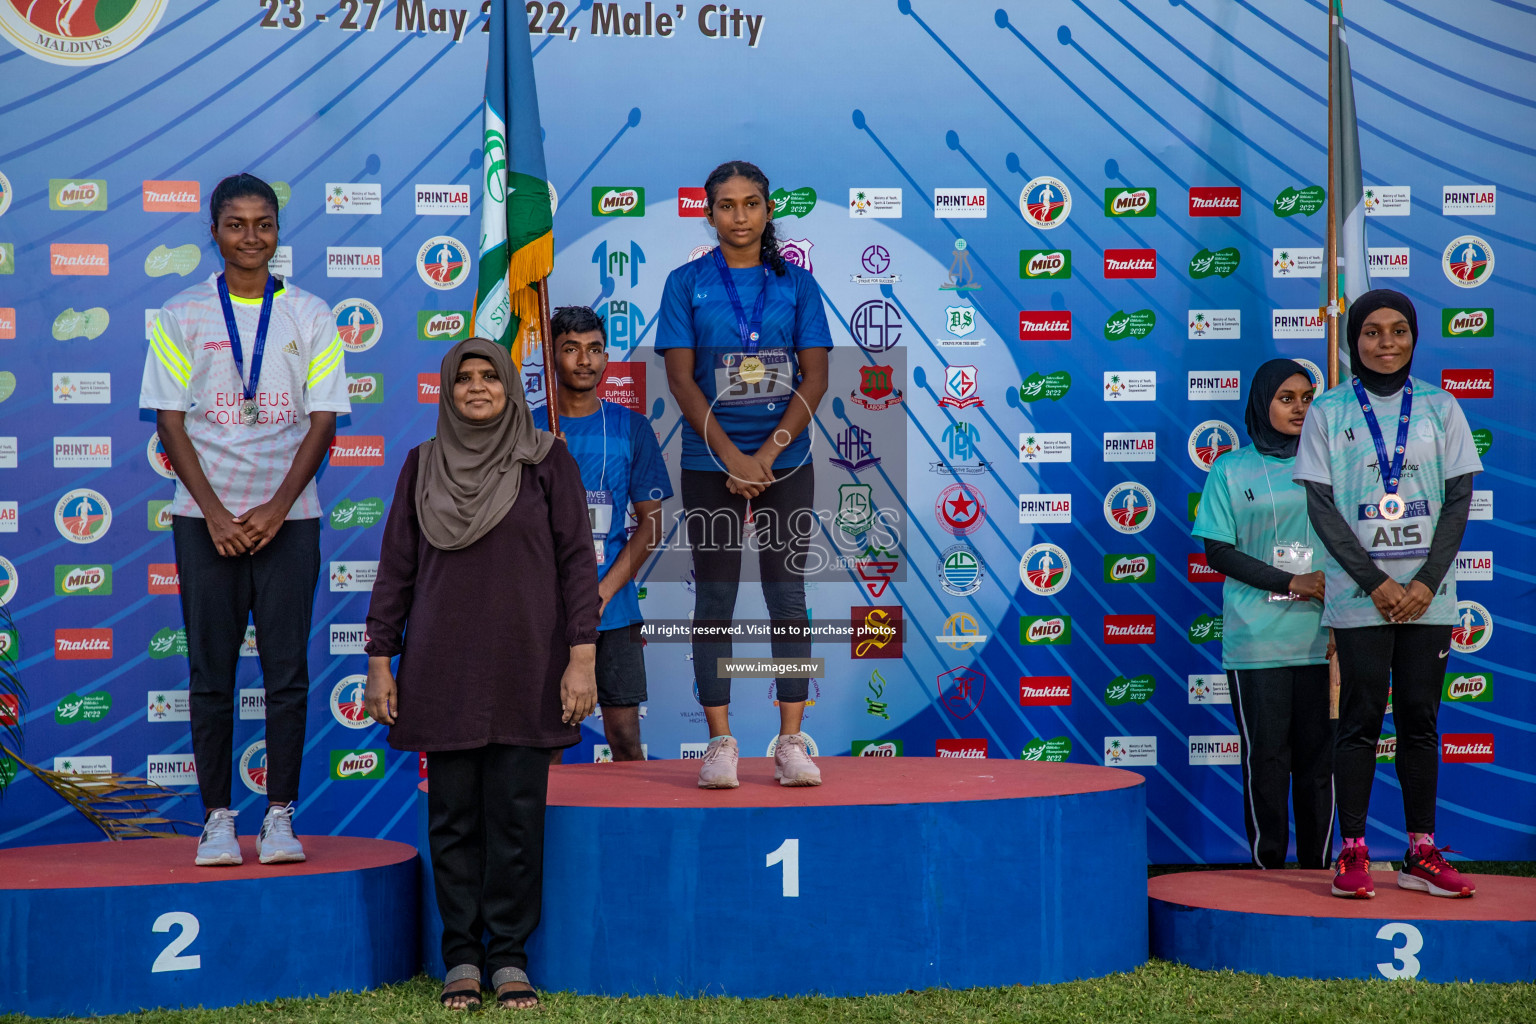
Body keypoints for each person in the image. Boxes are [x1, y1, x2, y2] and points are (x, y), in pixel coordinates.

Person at [363, 338, 599, 1009]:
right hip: (443, 669)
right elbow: (397, 571)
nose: (475, 387)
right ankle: (461, 956)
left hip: (529, 666)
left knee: (519, 817)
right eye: (462, 378)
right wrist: (380, 662)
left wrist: (582, 660)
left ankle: (509, 957)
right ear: (446, 390)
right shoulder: (422, 465)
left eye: (488, 376)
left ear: (509, 388)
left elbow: (578, 564)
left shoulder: (547, 460)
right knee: (455, 818)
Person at [139, 172, 349, 867]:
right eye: (237, 224)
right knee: (210, 673)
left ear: (278, 232)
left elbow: (323, 422)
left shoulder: (312, 315)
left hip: (291, 518)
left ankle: (281, 815)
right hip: (204, 521)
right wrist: (216, 512)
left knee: (286, 671)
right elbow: (170, 422)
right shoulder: (181, 314)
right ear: (214, 231)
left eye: (264, 223)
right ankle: (218, 820)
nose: (251, 236)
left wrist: (275, 507)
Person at [1294, 289, 1483, 899]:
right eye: (1371, 332)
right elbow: (1321, 508)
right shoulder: (1327, 410)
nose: (1385, 343)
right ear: (1354, 341)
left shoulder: (1440, 406)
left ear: (1414, 337)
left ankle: (1421, 852)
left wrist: (1424, 581)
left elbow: (1459, 500)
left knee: (1421, 722)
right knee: (1359, 720)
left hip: (1430, 598)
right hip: (1358, 598)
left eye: (1398, 330)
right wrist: (1377, 583)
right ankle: (1352, 853)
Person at [656, 160, 832, 788]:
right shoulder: (685, 284)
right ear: (709, 213)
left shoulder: (799, 286)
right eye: (726, 205)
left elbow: (816, 377)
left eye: (751, 204)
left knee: (788, 595)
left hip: (787, 462)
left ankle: (790, 740)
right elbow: (680, 380)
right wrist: (733, 457)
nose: (739, 216)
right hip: (711, 463)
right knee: (716, 599)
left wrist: (771, 453)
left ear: (767, 211)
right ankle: (720, 742)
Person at [1193, 359, 1333, 870]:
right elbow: (1218, 551)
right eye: (1286, 398)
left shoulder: (1330, 464)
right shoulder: (1231, 468)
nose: (1299, 407)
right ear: (1262, 403)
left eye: (1306, 397)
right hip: (1258, 642)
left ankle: (1319, 869)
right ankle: (1268, 870)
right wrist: (1290, 581)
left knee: (1319, 765)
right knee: (1267, 761)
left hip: (1325, 638)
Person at [533, 305, 672, 761]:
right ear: (551, 356)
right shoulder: (526, 429)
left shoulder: (631, 427)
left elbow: (652, 522)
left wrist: (601, 593)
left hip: (613, 609)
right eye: (571, 349)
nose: (584, 360)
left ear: (606, 358)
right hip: (543, 611)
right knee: (546, 744)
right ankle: (544, 833)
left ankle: (633, 832)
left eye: (594, 349)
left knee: (627, 740)